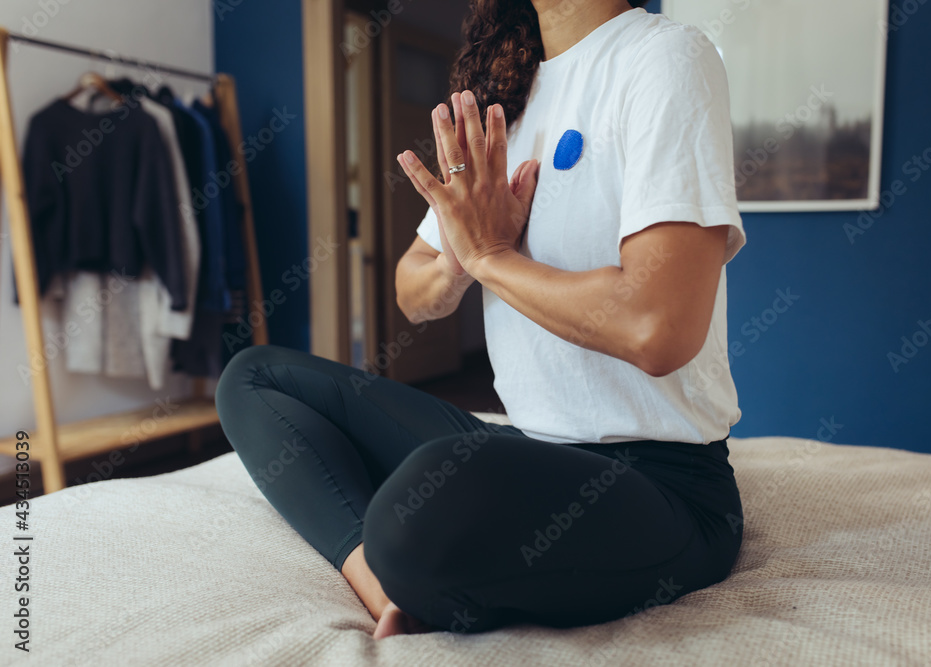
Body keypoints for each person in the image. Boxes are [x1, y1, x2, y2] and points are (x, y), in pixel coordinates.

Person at [216, 0, 747, 639]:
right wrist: (462, 261)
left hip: (662, 486)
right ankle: (379, 584)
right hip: (528, 450)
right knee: (254, 377)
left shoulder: (665, 58)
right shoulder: (508, 99)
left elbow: (657, 326)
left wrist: (490, 257)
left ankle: (403, 557)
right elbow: (415, 290)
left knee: (417, 512)